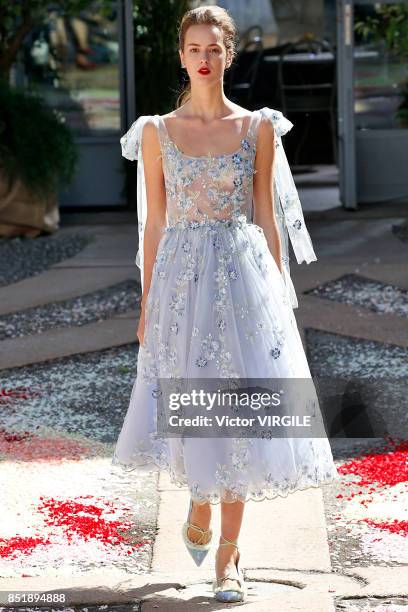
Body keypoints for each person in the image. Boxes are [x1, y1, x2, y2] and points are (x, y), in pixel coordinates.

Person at [112, 5, 339, 604]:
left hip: (243, 277)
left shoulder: (259, 127)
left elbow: (266, 216)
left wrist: (279, 293)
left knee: (241, 411)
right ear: (182, 56)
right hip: (182, 281)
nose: (204, 58)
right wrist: (147, 300)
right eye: (194, 48)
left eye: (214, 48)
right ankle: (197, 496)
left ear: (230, 55)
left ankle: (229, 564)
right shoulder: (157, 131)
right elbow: (155, 224)